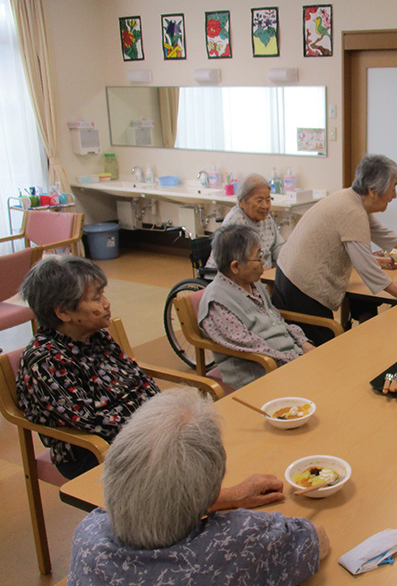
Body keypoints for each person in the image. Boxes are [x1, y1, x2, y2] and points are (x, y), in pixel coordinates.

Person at [15, 256, 280, 504]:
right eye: (96, 298)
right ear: (63, 312)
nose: (106, 303)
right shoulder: (44, 361)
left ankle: (217, 497)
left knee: (222, 435)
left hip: (143, 429)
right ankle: (221, 501)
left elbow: (139, 381)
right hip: (96, 451)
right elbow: (93, 424)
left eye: (103, 293)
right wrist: (162, 426)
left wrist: (169, 414)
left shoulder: (95, 335)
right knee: (197, 456)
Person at [67, 388, 328, 585]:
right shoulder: (237, 541)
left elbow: (156, 504)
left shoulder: (86, 535)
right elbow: (315, 539)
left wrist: (233, 496)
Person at [272, 154, 397, 344]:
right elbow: (365, 264)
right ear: (374, 190)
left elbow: (379, 231)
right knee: (319, 354)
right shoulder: (352, 211)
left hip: (290, 278)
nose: (394, 196)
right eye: (392, 189)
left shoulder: (351, 200)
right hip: (301, 288)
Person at [199, 224, 314, 388]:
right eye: (258, 258)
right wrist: (295, 360)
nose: (264, 262)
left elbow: (276, 319)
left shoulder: (253, 284)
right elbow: (252, 347)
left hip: (286, 359)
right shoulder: (217, 303)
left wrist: (303, 343)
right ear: (236, 266)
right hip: (258, 373)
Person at [206, 173, 284, 270]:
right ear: (241, 201)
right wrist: (262, 271)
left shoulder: (266, 218)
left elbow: (277, 246)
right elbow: (235, 264)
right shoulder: (235, 223)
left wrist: (287, 260)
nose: (265, 206)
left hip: (261, 274)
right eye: (259, 201)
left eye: (268, 200)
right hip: (234, 277)